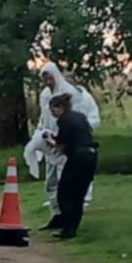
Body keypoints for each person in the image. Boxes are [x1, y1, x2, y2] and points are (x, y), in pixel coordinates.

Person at [30, 61, 100, 229]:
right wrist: (40, 135)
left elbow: (85, 121)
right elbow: (43, 117)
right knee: (51, 182)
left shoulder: (73, 97)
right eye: (44, 79)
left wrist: (62, 139)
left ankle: (69, 219)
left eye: (50, 78)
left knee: (67, 185)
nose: (48, 82)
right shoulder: (45, 95)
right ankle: (57, 215)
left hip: (70, 148)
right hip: (55, 144)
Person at [48, 92, 98, 240]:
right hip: (92, 155)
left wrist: (50, 140)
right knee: (79, 194)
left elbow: (60, 144)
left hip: (78, 157)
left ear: (61, 107)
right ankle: (72, 227)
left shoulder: (63, 120)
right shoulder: (80, 116)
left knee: (64, 192)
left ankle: (67, 226)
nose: (52, 113)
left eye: (53, 109)